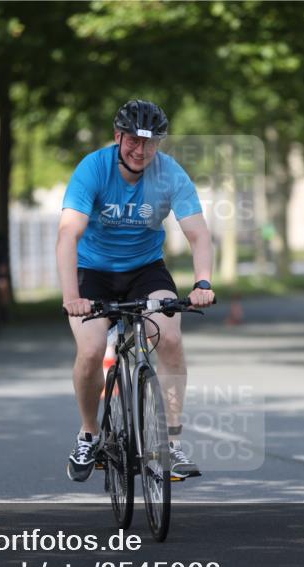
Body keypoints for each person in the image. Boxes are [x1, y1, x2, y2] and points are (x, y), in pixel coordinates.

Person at [57, 99, 215, 482]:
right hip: (93, 272)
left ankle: (172, 443)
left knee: (171, 338)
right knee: (92, 349)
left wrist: (203, 282)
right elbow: (68, 234)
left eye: (150, 142)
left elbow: (198, 234)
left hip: (146, 270)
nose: (140, 150)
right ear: (118, 137)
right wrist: (71, 297)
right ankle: (89, 433)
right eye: (133, 140)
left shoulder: (169, 173)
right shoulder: (93, 168)